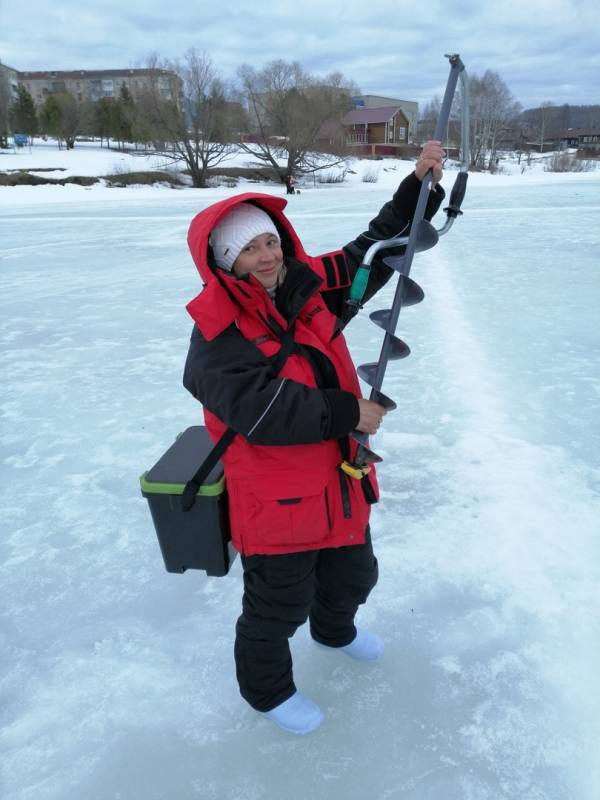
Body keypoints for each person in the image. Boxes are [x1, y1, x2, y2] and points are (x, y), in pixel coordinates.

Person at [183, 141, 445, 735]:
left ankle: (336, 631)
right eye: (247, 248)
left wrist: (416, 187)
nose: (265, 255)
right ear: (224, 260)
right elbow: (260, 410)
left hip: (339, 479)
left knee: (354, 576)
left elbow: (369, 253)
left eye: (270, 240)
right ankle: (269, 693)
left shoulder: (308, 290)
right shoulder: (215, 334)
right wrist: (348, 410)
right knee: (277, 607)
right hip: (276, 499)